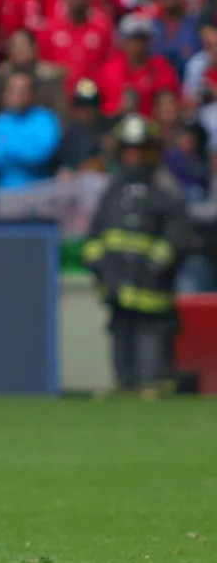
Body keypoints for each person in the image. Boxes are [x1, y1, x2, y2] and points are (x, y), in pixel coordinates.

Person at [83, 115, 196, 398]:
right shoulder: (113, 190)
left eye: (140, 149)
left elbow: (179, 232)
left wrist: (158, 261)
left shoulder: (163, 188)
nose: (134, 156)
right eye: (129, 149)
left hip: (152, 287)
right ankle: (125, 383)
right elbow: (96, 234)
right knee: (121, 334)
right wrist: (100, 266)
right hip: (118, 285)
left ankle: (154, 383)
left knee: (152, 335)